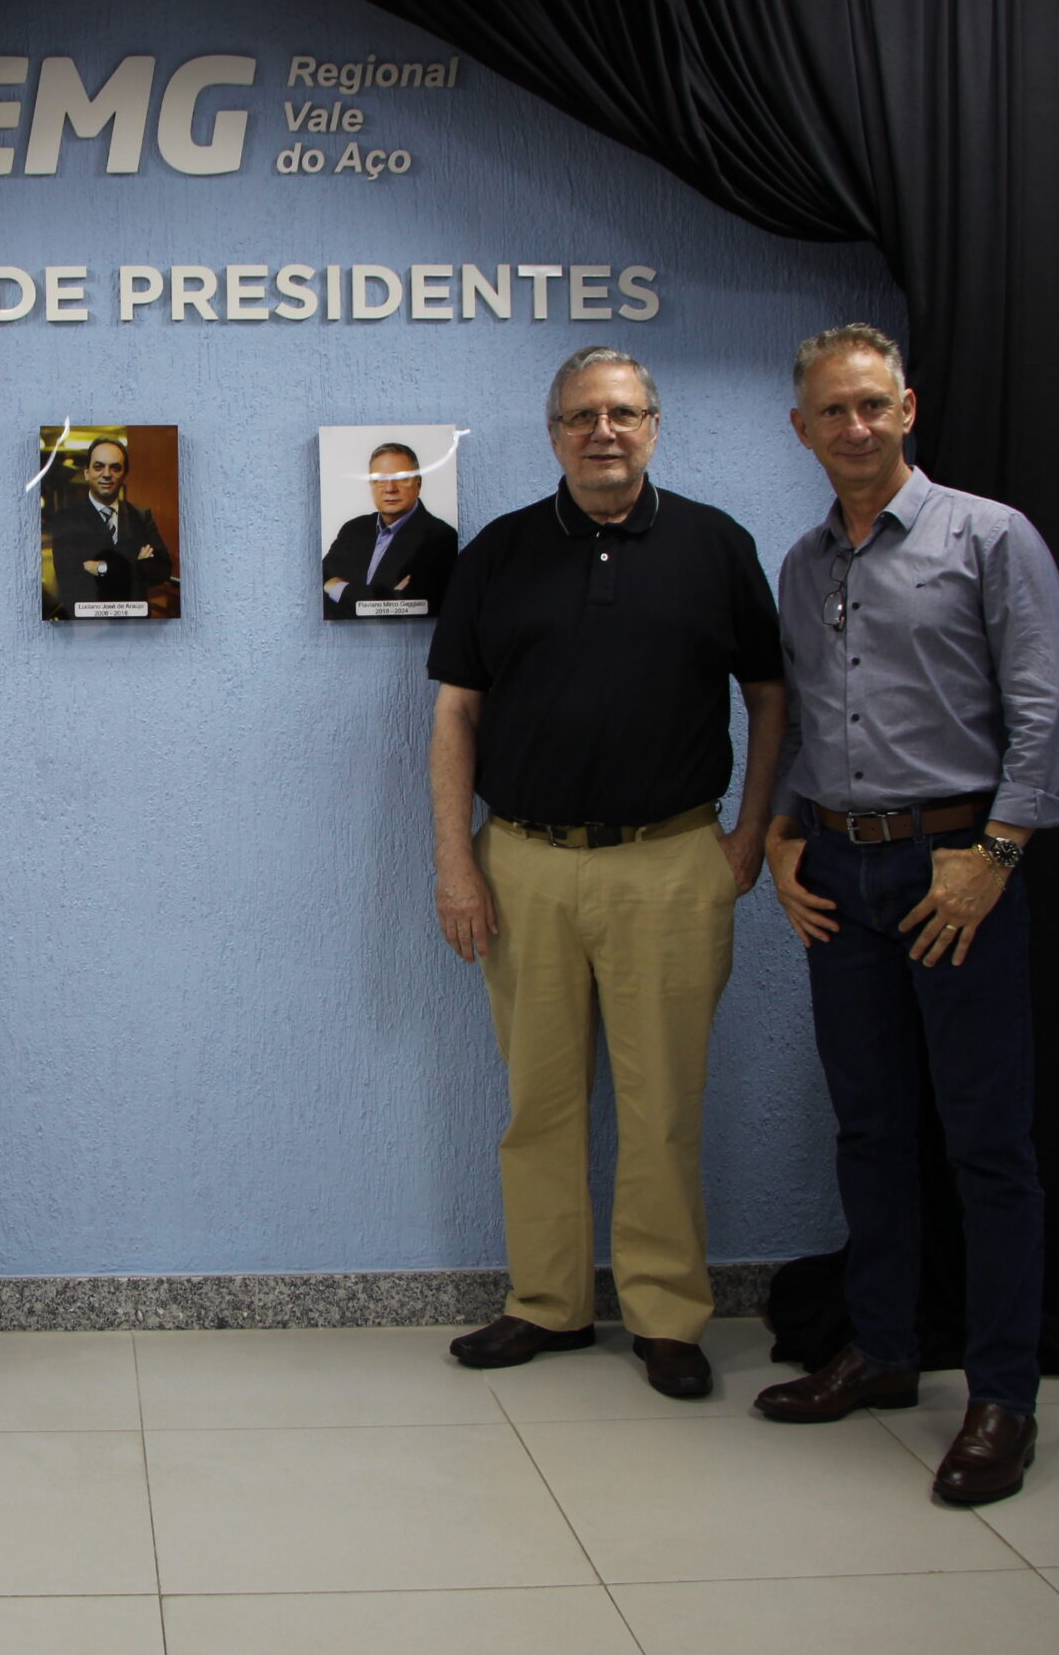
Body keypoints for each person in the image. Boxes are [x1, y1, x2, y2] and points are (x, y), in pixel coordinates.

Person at [753, 324, 1059, 1506]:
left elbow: (1049, 712)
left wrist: (994, 856)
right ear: (800, 429)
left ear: (906, 409)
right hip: (839, 877)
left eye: (871, 405)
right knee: (868, 1128)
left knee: (986, 1143)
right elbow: (807, 719)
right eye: (831, 411)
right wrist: (783, 836)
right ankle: (883, 1351)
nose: (853, 426)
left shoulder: (988, 538)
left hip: (954, 874)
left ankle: (1002, 1397)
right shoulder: (804, 564)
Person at [430, 346, 786, 1400]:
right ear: (553, 433)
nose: (603, 431)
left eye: (623, 413)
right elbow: (456, 713)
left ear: (654, 427)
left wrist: (750, 834)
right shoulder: (498, 553)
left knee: (663, 1104)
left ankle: (667, 1315)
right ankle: (547, 1302)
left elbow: (772, 696)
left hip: (672, 862)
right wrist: (456, 862)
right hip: (525, 865)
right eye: (581, 415)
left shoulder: (716, 545)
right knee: (537, 1101)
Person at [321, 440, 459, 618]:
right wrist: (381, 596)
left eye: (401, 478)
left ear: (418, 484)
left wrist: (338, 587)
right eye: (379, 480)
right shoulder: (353, 529)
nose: (389, 488)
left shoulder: (441, 538)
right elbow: (322, 580)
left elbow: (401, 606)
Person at [45, 435, 174, 614]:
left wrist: (101, 567)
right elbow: (70, 577)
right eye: (99, 467)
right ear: (86, 473)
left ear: (125, 475)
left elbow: (162, 571)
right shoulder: (67, 519)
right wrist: (137, 566)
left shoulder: (141, 516)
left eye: (115, 467)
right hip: (90, 622)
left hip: (133, 622)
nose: (106, 474)